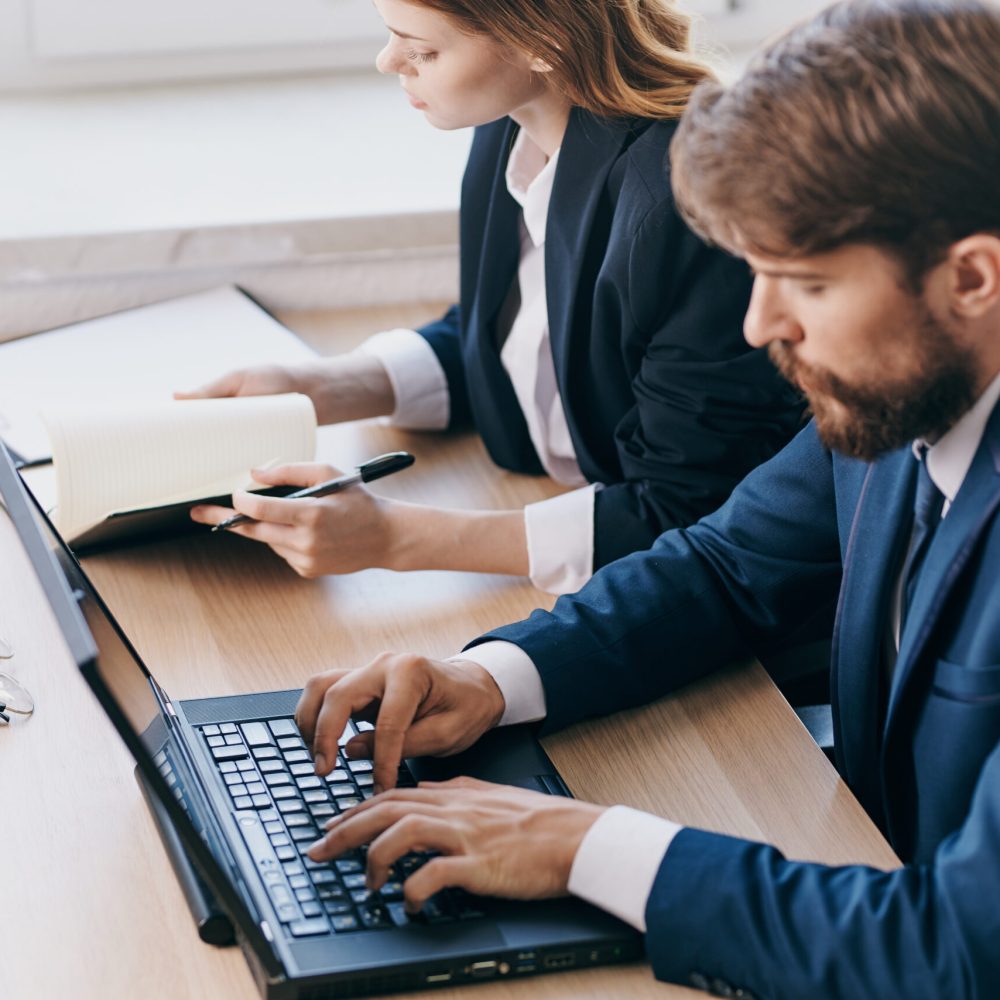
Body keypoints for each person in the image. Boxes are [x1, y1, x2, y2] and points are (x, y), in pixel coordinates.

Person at [292, 1, 1000, 995]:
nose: (759, 325)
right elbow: (723, 564)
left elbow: (953, 951)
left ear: (972, 278)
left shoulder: (881, 380)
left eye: (804, 283)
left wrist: (583, 846)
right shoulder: (899, 387)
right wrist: (491, 677)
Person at [178, 0, 802, 594]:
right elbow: (524, 336)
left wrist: (393, 536)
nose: (387, 62)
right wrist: (314, 388)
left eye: (422, 49)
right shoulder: (514, 125)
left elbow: (688, 509)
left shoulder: (680, 207)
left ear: (543, 42)